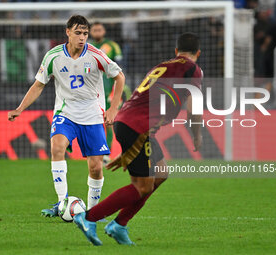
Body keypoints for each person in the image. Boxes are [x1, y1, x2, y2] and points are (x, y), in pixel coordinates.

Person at [73, 32, 203, 246]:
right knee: (142, 186)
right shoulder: (192, 69)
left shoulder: (162, 66)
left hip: (130, 122)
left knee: (160, 173)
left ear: (175, 52)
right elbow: (193, 107)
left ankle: (119, 225)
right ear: (198, 53)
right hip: (138, 128)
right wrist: (196, 134)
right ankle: (88, 217)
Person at [7, 15, 125, 217]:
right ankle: (62, 203)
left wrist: (113, 108)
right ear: (67, 32)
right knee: (57, 147)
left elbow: (119, 76)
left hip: (92, 114)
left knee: (96, 167)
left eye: (85, 34)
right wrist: (20, 108)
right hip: (65, 112)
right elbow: (39, 85)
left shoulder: (96, 55)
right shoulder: (53, 56)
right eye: (78, 33)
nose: (82, 37)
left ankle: (92, 212)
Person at [90, 22, 130, 164]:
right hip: (91, 89)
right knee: (93, 121)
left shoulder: (112, 46)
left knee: (109, 122)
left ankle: (106, 152)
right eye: (94, 30)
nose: (97, 32)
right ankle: (95, 150)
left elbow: (120, 67)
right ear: (90, 32)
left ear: (104, 31)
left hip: (109, 90)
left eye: (99, 29)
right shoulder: (87, 47)